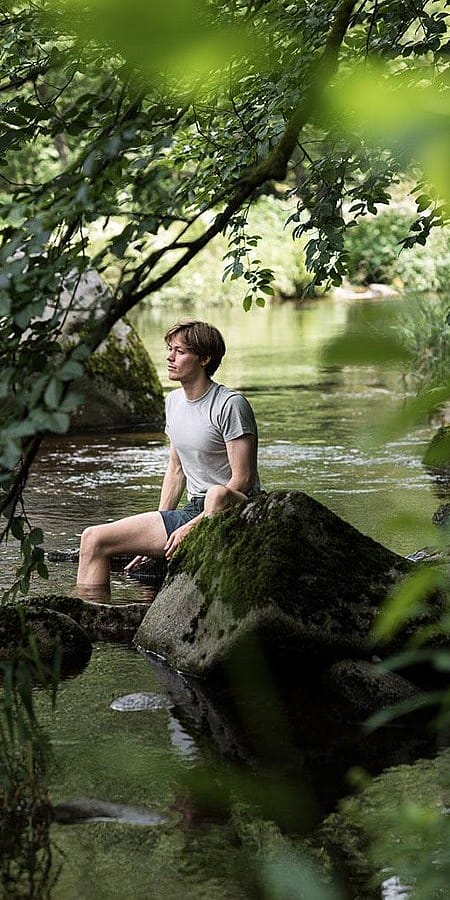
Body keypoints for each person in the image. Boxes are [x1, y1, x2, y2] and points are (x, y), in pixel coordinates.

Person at [76, 319, 261, 592]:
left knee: (216, 494)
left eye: (180, 351)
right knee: (93, 538)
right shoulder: (173, 402)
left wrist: (191, 528)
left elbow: (242, 480)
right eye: (170, 349)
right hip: (195, 508)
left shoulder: (230, 404)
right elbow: (175, 470)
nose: (169, 357)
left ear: (204, 359)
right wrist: (159, 528)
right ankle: (92, 616)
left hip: (236, 506)